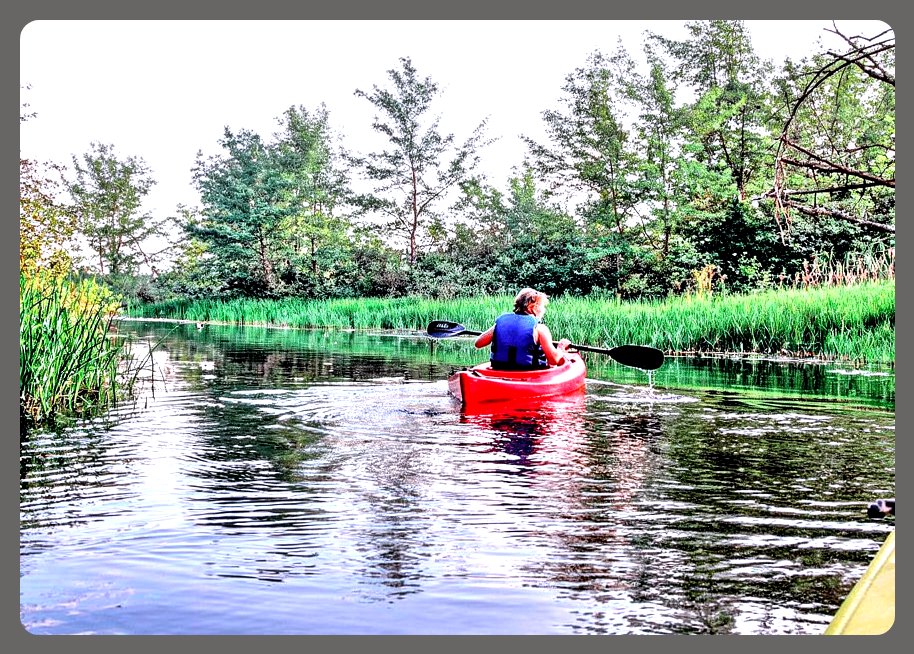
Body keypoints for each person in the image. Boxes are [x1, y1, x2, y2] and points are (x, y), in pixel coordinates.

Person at [474, 288, 573, 371]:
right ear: (532, 307)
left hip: (499, 370)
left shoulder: (500, 323)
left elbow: (478, 343)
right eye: (542, 306)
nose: (544, 310)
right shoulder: (540, 329)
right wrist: (561, 347)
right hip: (530, 374)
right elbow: (554, 360)